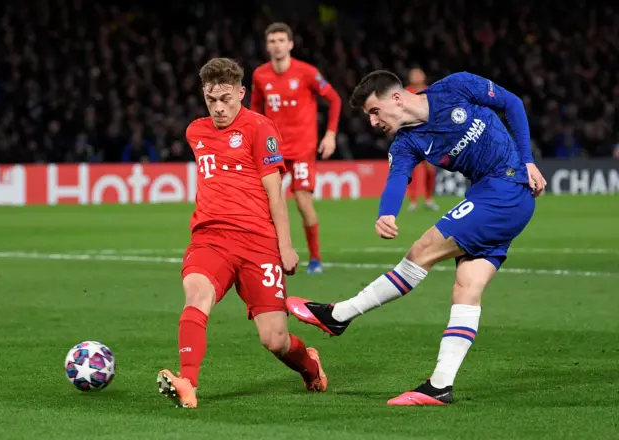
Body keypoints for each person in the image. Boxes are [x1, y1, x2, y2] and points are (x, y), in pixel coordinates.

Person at [286, 70, 547, 406]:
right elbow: (397, 180)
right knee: (466, 287)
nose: (373, 122)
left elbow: (512, 103)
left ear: (396, 98)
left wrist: (527, 160)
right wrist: (386, 212)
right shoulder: (407, 143)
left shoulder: (456, 87)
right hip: (494, 194)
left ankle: (340, 315)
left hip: (506, 187)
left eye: (374, 111)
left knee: (420, 252)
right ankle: (440, 385)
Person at [157, 57, 327, 409]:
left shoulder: (260, 129)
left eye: (226, 99)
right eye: (211, 99)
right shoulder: (195, 132)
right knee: (196, 294)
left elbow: (275, 195)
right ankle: (188, 381)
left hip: (258, 242)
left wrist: (287, 247)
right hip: (211, 237)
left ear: (241, 92)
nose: (218, 108)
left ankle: (310, 365)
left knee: (275, 340)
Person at [251, 22, 342, 275]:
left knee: (302, 202)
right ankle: (273, 253)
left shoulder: (307, 72)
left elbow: (334, 99)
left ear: (290, 44)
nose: (277, 45)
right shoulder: (260, 75)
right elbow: (255, 111)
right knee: (269, 203)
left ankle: (315, 258)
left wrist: (331, 135)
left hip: (302, 148)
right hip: (273, 150)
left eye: (281, 40)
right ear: (267, 46)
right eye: (272, 41)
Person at [405, 67, 439, 211]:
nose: (416, 76)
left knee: (430, 170)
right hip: (411, 135)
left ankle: (428, 199)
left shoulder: (430, 91)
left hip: (428, 136)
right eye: (413, 74)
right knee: (411, 169)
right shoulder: (405, 93)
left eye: (419, 73)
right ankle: (413, 200)